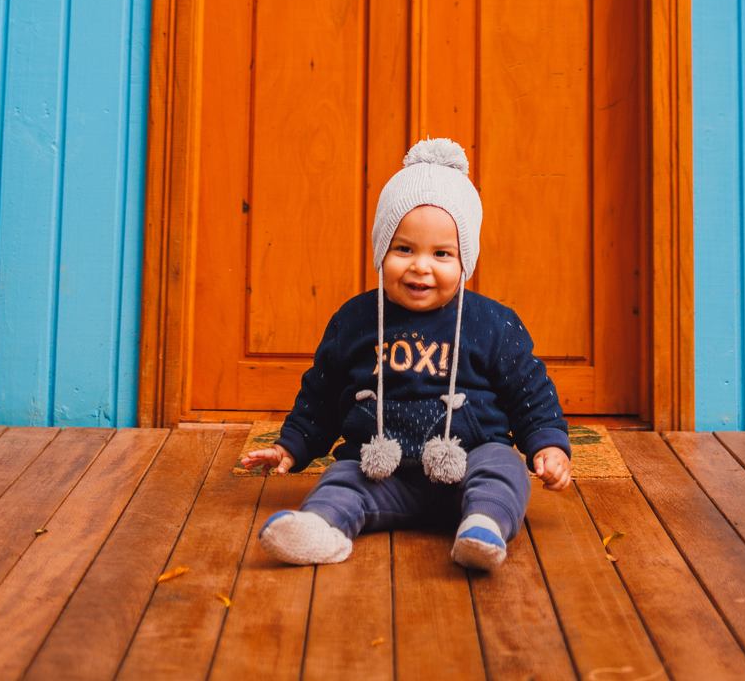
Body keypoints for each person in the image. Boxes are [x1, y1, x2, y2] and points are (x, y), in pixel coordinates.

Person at [243, 137, 573, 571]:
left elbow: (530, 393)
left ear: (464, 261)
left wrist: (548, 446)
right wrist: (291, 447)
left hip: (467, 462)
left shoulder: (493, 323)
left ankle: (483, 526)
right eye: (404, 249)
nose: (421, 266)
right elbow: (320, 396)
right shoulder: (356, 319)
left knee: (503, 466)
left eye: (442, 254)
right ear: (382, 249)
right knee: (340, 479)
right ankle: (319, 528)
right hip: (381, 469)